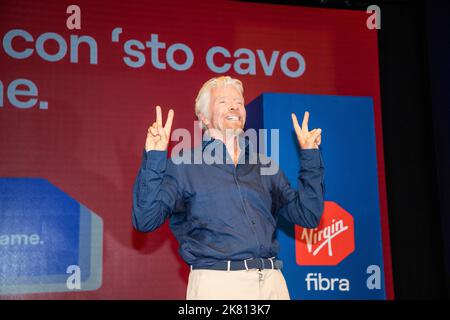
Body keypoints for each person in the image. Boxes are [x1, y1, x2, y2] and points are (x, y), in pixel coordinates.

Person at [132, 76, 324, 300]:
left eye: (239, 102)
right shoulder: (183, 164)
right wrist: (155, 156)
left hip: (273, 283)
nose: (234, 106)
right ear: (204, 117)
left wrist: (311, 157)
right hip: (218, 285)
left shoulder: (264, 164)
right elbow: (145, 219)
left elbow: (308, 215)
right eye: (223, 101)